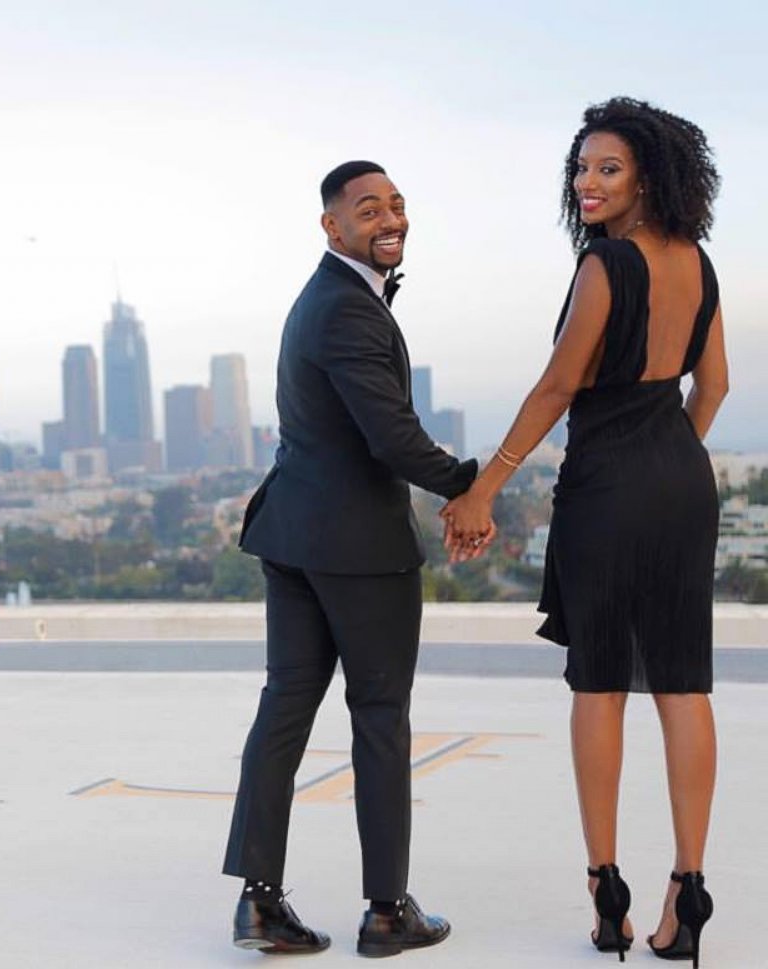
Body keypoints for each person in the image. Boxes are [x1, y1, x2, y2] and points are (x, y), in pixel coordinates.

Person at [442, 97, 726, 966]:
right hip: (682, 481)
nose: (589, 182)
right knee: (683, 683)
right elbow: (711, 389)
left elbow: (558, 384)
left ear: (649, 175)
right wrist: (666, 467)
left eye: (609, 168)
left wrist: (483, 487)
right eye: (582, 167)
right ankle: (690, 887)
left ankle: (607, 890)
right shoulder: (700, 264)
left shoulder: (605, 265)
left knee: (599, 682)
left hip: (606, 486)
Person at [223, 160, 487, 958]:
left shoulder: (326, 300)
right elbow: (391, 437)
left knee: (286, 710)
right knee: (379, 720)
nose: (389, 218)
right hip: (357, 549)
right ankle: (386, 910)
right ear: (332, 226)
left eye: (398, 204)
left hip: (296, 537)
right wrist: (469, 487)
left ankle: (260, 904)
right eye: (368, 208)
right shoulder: (346, 309)